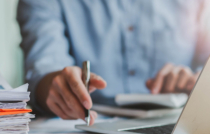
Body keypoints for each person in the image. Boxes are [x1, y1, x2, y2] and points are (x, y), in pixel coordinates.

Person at [17, 0, 210, 126]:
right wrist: (55, 86)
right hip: (80, 131)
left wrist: (196, 82)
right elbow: (43, 69)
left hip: (174, 127)